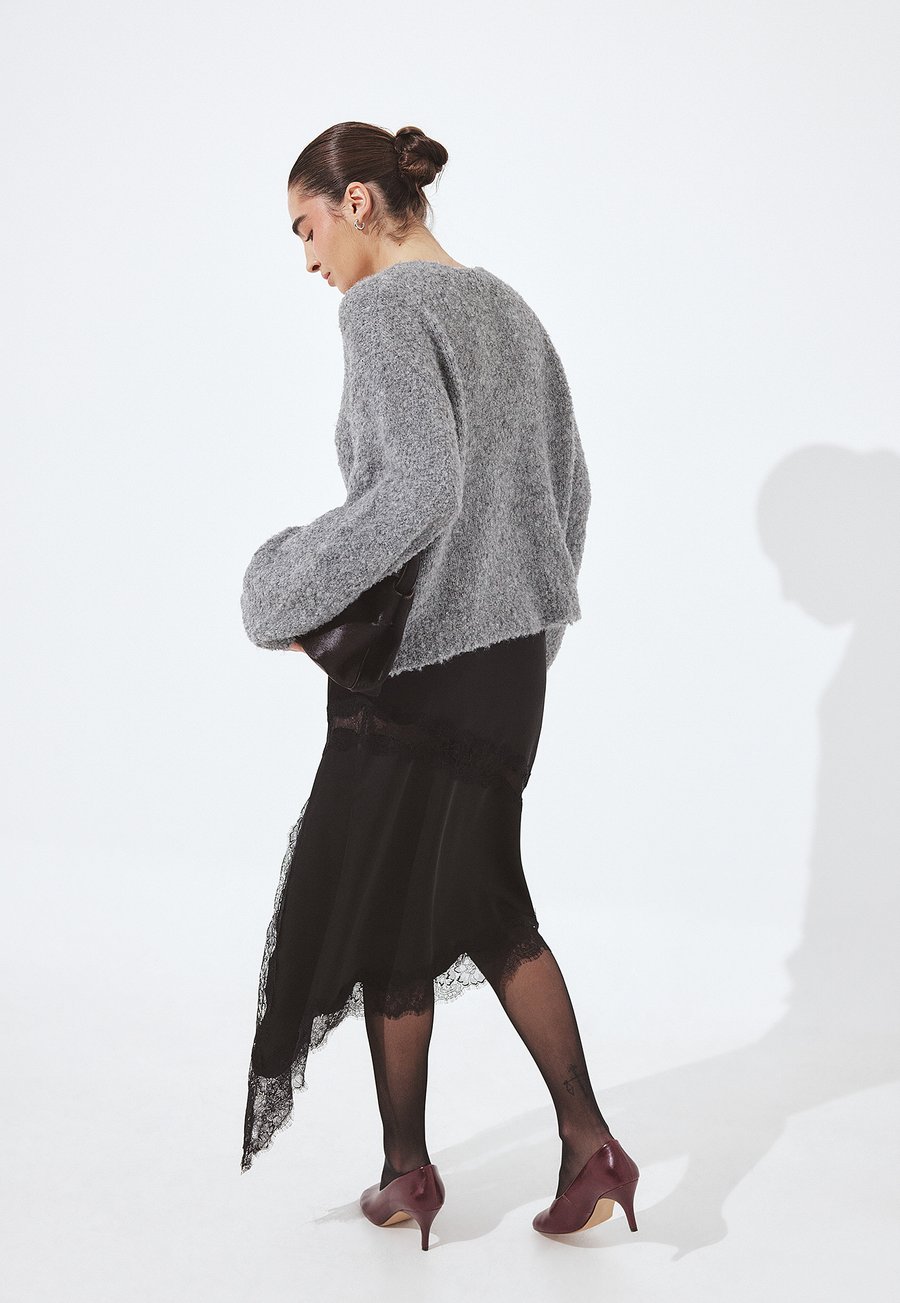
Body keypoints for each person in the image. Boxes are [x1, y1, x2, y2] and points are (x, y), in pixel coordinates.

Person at [238, 120, 640, 1248]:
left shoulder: (382, 308)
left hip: (422, 670)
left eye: (307, 228)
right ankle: (565, 1145)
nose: (308, 259)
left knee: (395, 903)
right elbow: (573, 493)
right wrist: (523, 637)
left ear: (359, 202)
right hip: (506, 673)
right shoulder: (511, 310)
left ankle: (420, 1167)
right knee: (476, 899)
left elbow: (417, 491)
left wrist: (285, 589)